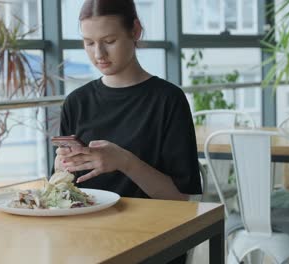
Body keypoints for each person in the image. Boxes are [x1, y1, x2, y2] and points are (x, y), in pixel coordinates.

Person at [54, 0, 202, 263]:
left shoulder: (168, 100)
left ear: (135, 31)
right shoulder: (77, 102)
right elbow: (67, 192)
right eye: (89, 43)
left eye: (109, 40)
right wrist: (61, 169)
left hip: (154, 242)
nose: (99, 53)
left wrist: (124, 162)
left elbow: (180, 199)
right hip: (88, 242)